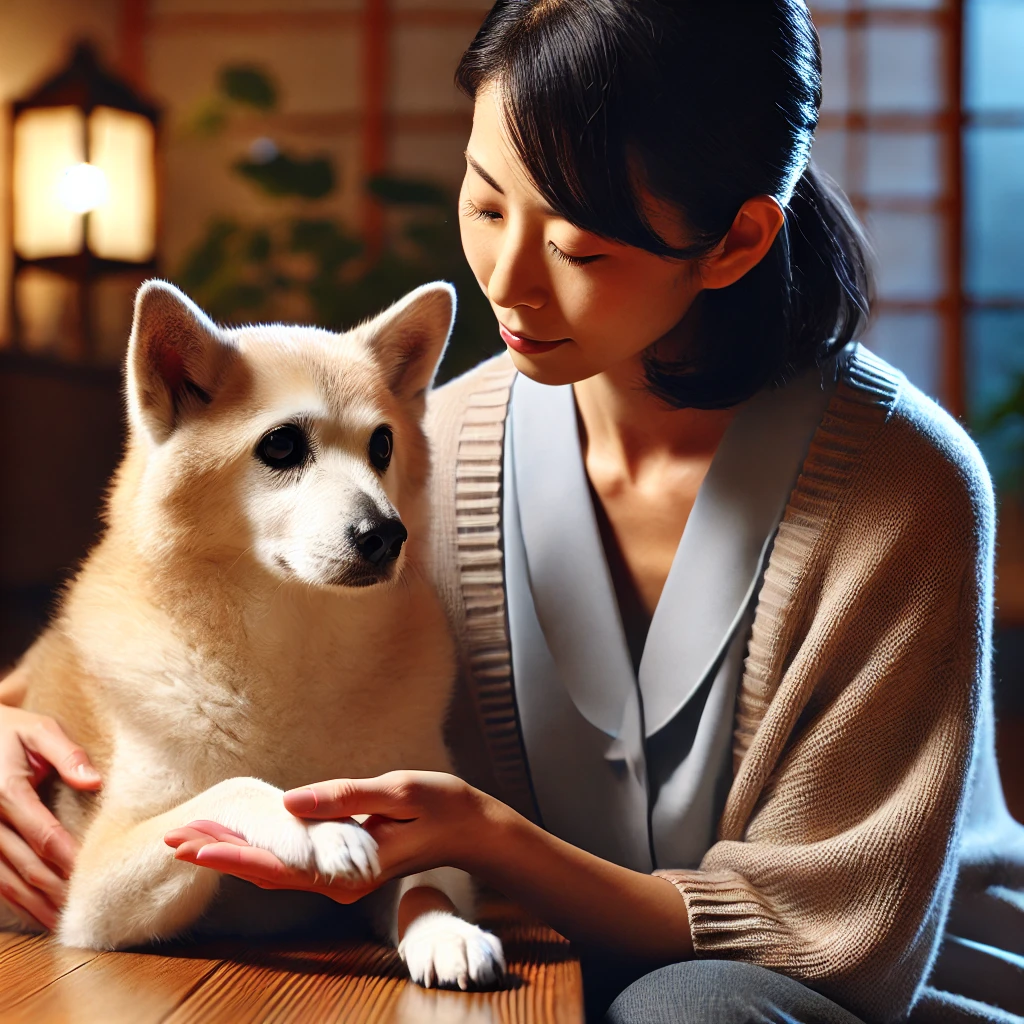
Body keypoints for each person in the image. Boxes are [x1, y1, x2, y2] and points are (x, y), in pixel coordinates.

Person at [2, 2, 1021, 1021]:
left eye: (578, 250)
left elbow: (836, 942)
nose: (506, 280)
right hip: (538, 973)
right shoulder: (413, 457)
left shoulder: (904, 487)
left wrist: (486, 842)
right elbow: (126, 650)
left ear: (734, 240)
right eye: (487, 205)